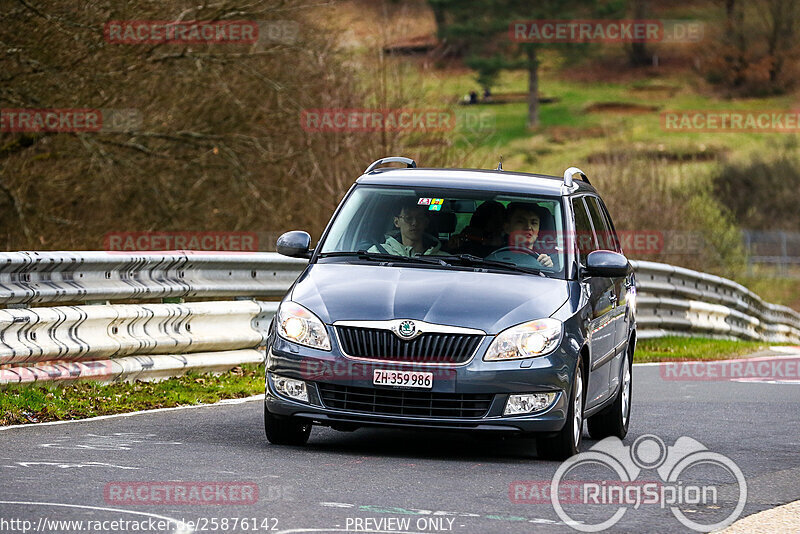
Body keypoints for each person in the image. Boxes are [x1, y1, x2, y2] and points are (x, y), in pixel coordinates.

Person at [487, 202, 554, 268]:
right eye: (521, 222)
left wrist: (547, 267)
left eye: (533, 223)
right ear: (507, 228)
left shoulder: (547, 259)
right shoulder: (491, 258)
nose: (528, 227)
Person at [368, 199, 445, 256]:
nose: (415, 223)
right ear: (396, 222)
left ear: (426, 222)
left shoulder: (444, 259)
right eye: (408, 218)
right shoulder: (376, 254)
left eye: (420, 218)